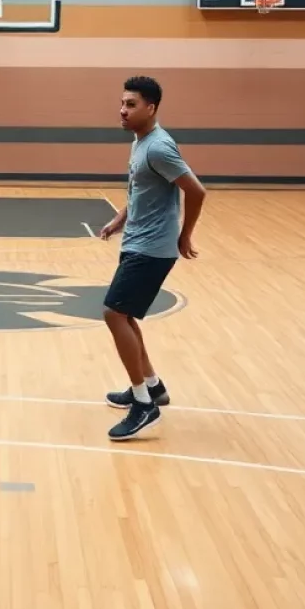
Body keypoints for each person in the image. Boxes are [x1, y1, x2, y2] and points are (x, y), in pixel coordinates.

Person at [99, 75, 206, 441]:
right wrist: (121, 217)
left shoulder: (159, 147)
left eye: (131, 105)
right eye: (122, 103)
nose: (122, 110)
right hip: (137, 241)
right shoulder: (141, 141)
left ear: (151, 108)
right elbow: (142, 189)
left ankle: (144, 405)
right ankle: (152, 386)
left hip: (152, 248)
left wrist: (184, 234)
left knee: (114, 313)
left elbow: (196, 191)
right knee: (125, 314)